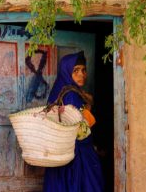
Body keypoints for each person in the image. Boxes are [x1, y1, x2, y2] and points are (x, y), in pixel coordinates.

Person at [43, 51, 104, 192]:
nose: (81, 74)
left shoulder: (58, 90)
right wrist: (89, 107)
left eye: (83, 70)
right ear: (66, 71)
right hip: (76, 156)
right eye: (75, 70)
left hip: (61, 154)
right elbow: (81, 131)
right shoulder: (71, 94)